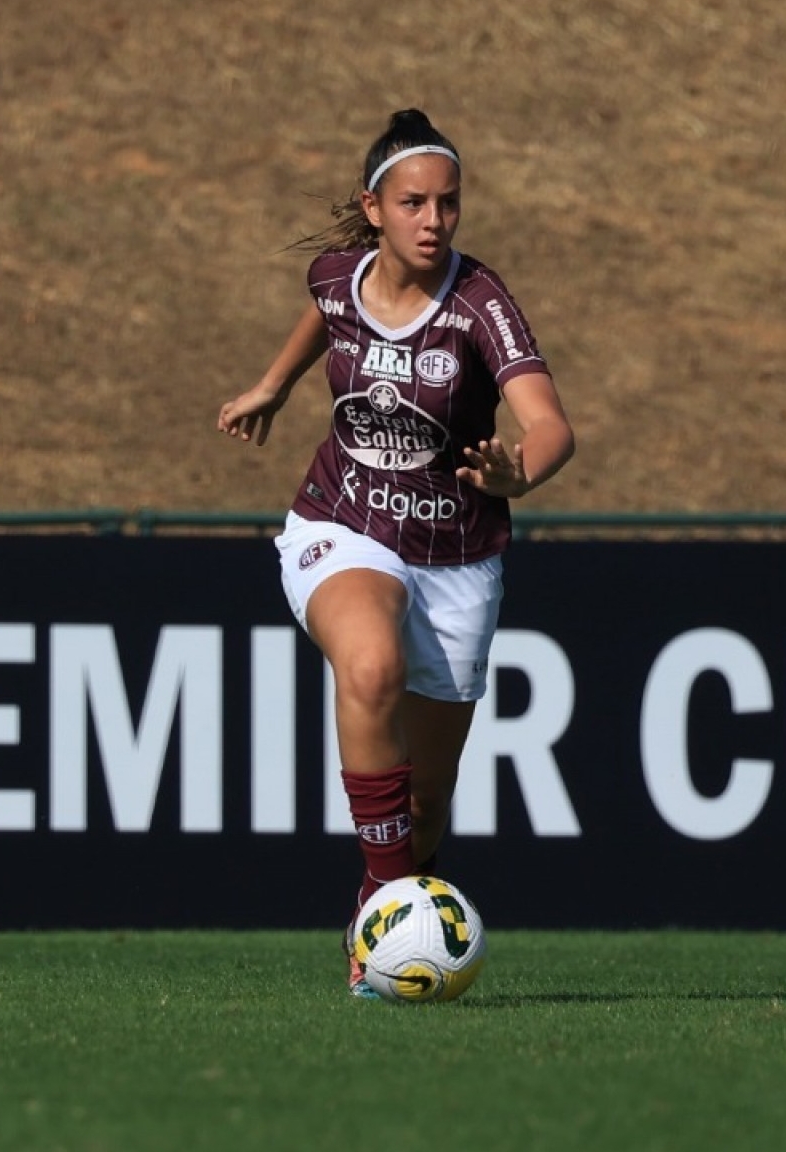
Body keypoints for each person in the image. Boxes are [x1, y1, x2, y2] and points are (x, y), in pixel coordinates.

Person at [217, 109, 575, 998]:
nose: (434, 221)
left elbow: (551, 425)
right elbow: (324, 313)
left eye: (448, 204)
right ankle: (381, 906)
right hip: (340, 525)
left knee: (424, 799)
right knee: (369, 664)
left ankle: (396, 885)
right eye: (413, 202)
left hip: (457, 559)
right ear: (373, 208)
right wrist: (272, 386)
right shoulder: (340, 275)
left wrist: (518, 472)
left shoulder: (479, 303)